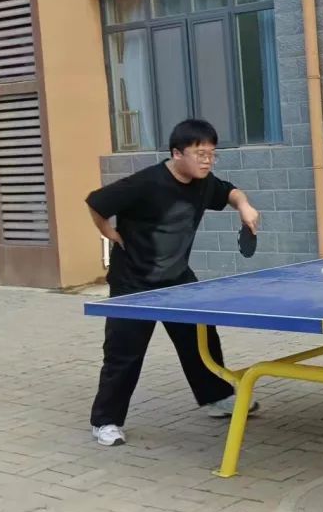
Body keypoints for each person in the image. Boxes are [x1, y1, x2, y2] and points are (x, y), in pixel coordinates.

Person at [85, 119, 261, 446]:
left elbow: (230, 191)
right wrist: (108, 232)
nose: (207, 161)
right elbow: (96, 202)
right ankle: (105, 421)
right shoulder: (145, 183)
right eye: (200, 154)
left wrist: (244, 206)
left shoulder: (204, 183)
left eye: (212, 154)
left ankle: (216, 397)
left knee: (201, 338)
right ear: (177, 154)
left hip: (177, 278)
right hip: (134, 282)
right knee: (124, 353)